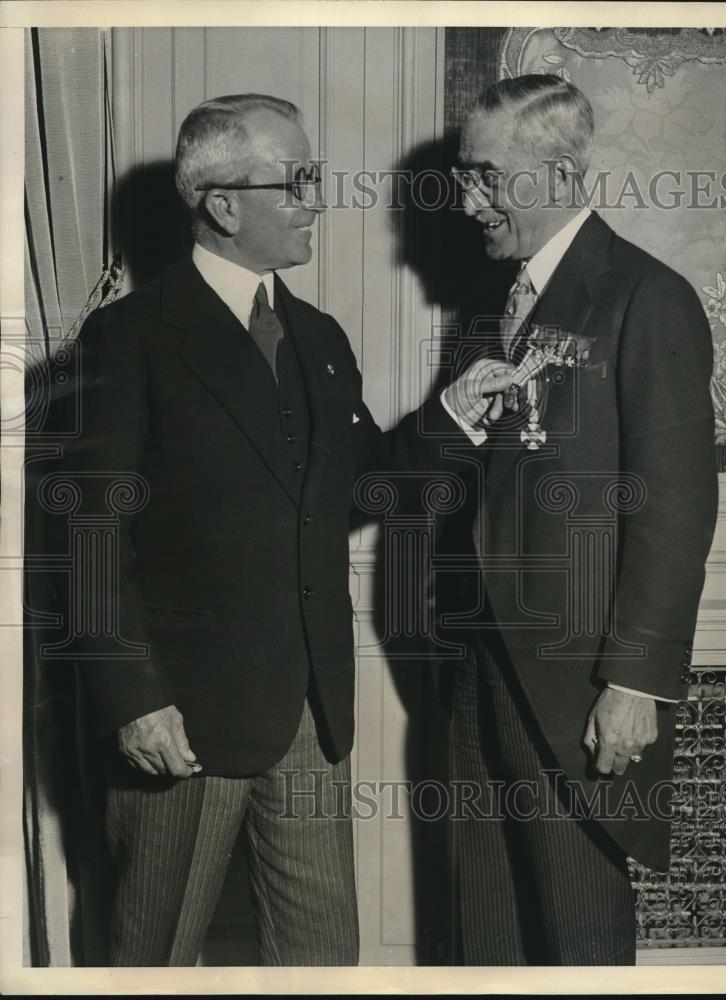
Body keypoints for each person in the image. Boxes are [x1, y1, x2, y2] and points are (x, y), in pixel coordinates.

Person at [51, 92, 515, 967]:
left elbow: (357, 489)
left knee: (321, 954)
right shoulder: (129, 337)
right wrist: (133, 698)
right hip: (178, 713)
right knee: (151, 954)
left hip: (308, 707)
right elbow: (90, 537)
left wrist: (448, 416)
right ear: (223, 205)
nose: (316, 199)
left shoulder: (318, 336)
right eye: (297, 179)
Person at [442, 74, 718, 964]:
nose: (463, 197)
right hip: (477, 676)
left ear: (552, 176)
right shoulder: (499, 306)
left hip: (573, 692)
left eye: (483, 174)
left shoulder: (648, 299)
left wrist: (634, 685)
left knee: (575, 939)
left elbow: (675, 506)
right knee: (486, 940)